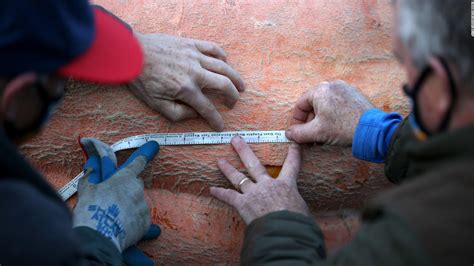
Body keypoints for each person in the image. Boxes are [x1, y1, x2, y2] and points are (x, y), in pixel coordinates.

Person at [211, 0, 473, 265]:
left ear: (440, 84)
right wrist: (385, 134)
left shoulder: (420, 234)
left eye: (405, 67)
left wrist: (279, 226)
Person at [0, 0, 243, 265]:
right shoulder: (21, 224)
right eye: (60, 83)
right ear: (15, 101)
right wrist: (98, 241)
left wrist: (136, 54)